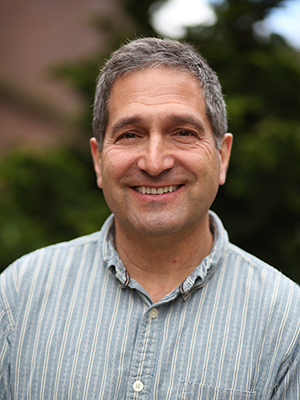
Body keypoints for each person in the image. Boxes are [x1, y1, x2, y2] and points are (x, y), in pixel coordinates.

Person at [1, 37, 300, 400]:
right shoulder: (18, 294)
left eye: (183, 133)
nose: (154, 162)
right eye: (130, 134)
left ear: (222, 156)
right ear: (98, 160)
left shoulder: (288, 322)